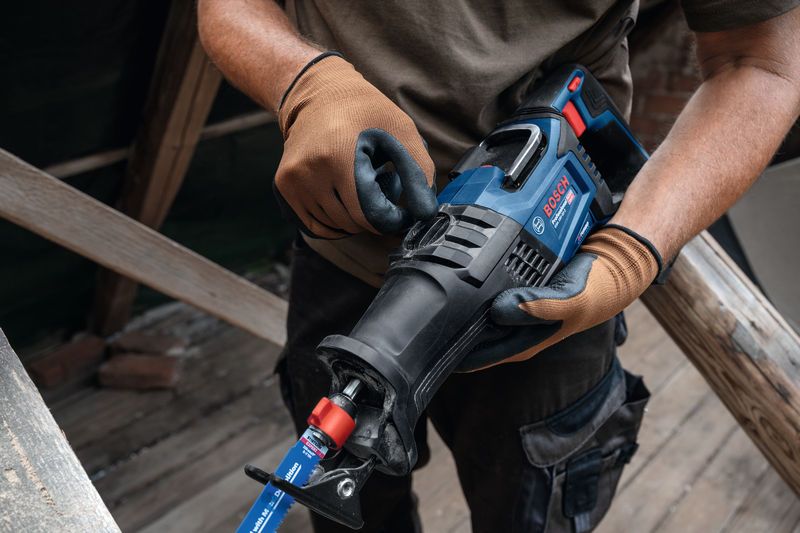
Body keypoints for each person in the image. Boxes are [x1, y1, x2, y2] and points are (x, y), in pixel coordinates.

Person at [198, 1, 800, 531]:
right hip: (339, 258)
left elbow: (763, 63)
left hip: (545, 293)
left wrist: (630, 253)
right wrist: (306, 83)